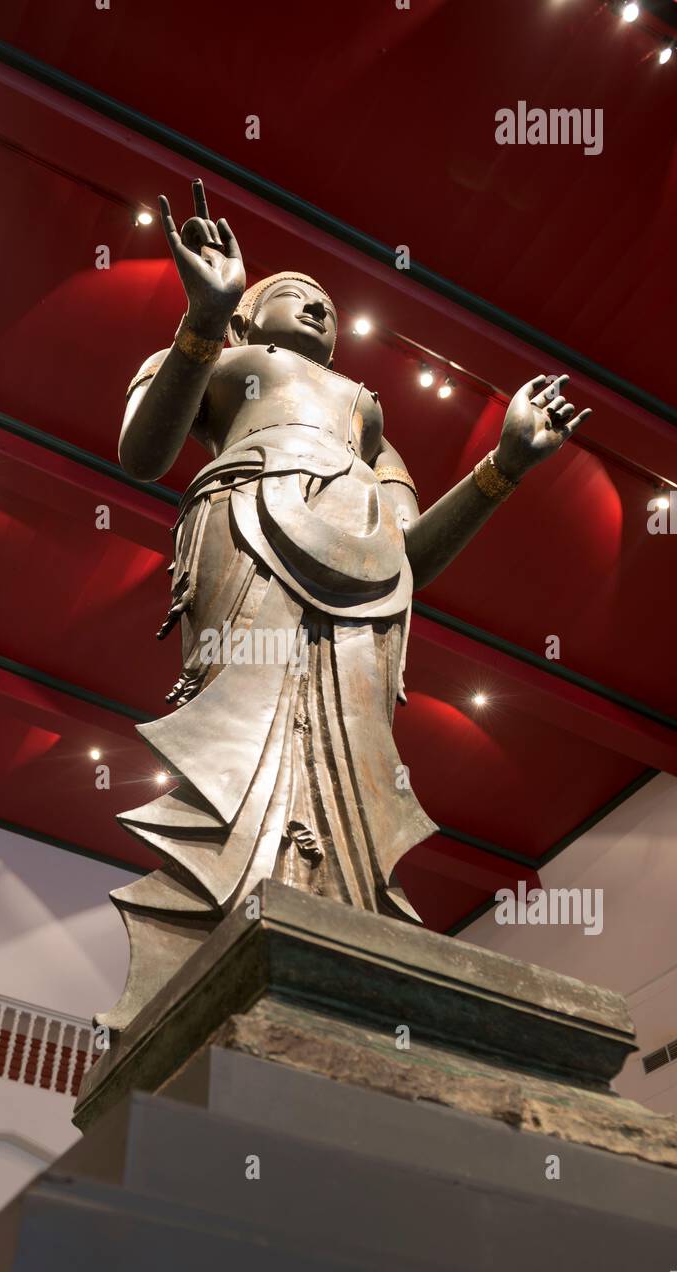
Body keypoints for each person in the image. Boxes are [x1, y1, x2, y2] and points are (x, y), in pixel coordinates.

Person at [103, 180, 591, 1030]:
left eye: (331, 306)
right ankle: (229, 924)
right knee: (243, 725)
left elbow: (411, 553)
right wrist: (206, 316)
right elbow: (144, 451)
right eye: (300, 297)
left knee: (353, 758)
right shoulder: (218, 352)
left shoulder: (365, 413)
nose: (322, 310)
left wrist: (502, 466)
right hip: (248, 520)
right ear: (253, 313)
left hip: (366, 572)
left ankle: (345, 915)